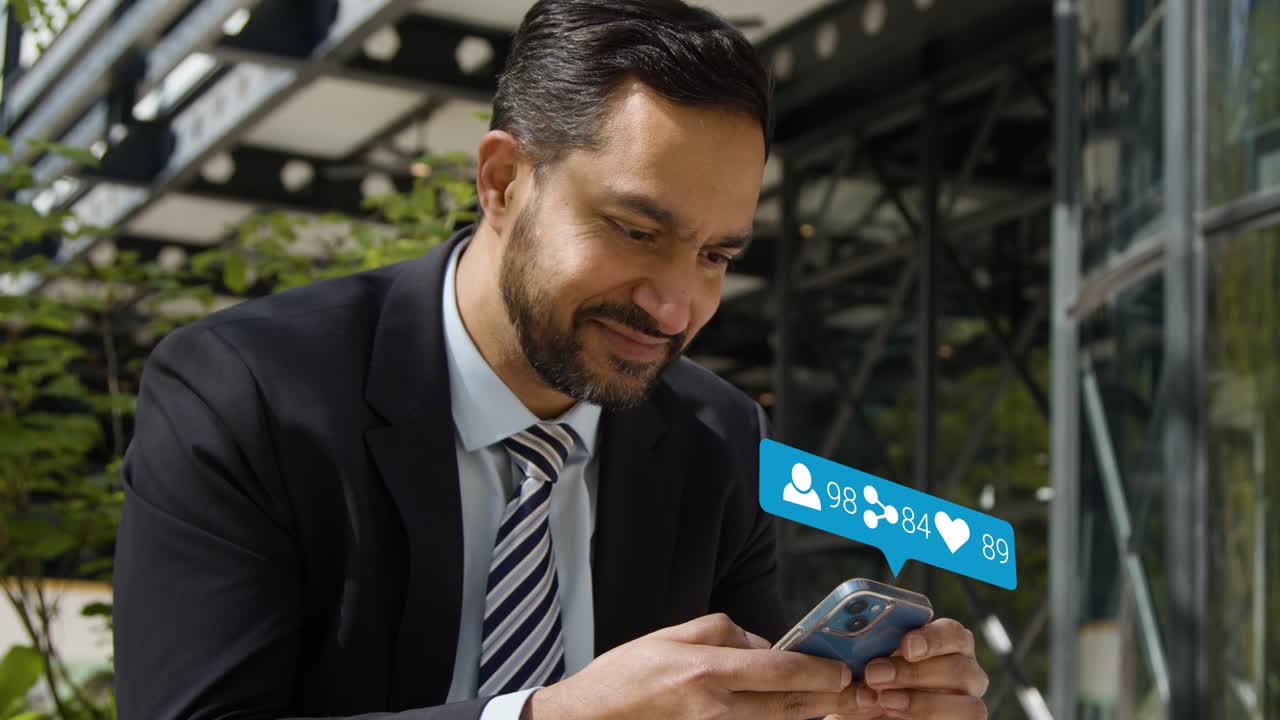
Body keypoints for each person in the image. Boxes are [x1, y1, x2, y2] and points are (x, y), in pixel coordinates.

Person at [111, 1, 990, 718]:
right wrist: (548, 718)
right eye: (637, 231)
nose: (676, 306)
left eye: (717, 256)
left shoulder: (717, 440)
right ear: (502, 183)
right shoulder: (246, 395)